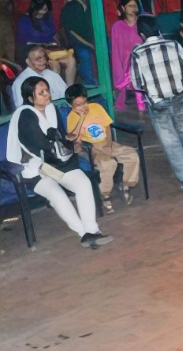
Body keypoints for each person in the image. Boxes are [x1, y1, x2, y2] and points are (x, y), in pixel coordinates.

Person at [4, 76, 113, 248]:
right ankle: (83, 233)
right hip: (36, 167)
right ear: (31, 97)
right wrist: (61, 142)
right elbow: (42, 144)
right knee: (57, 194)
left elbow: (64, 138)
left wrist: (77, 126)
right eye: (41, 92)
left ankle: (92, 231)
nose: (46, 95)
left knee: (83, 183)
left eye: (47, 90)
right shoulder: (25, 115)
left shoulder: (51, 109)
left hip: (57, 162)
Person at [130, 16, 183, 189]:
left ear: (141, 34)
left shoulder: (137, 53)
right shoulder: (173, 45)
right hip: (177, 96)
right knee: (182, 128)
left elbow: (137, 83)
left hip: (157, 102)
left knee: (170, 141)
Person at [64, 84, 139, 214]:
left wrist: (109, 144)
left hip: (106, 142)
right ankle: (105, 195)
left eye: (84, 102)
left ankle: (126, 185)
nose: (82, 107)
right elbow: (73, 137)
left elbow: (107, 127)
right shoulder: (72, 117)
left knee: (131, 154)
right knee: (108, 163)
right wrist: (81, 118)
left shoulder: (96, 108)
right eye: (78, 105)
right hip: (92, 147)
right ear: (71, 105)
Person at [16, 0, 77, 85]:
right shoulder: (24, 21)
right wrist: (40, 48)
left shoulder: (48, 18)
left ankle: (70, 89)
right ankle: (55, 92)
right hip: (36, 53)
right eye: (42, 8)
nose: (44, 11)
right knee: (55, 65)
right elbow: (23, 44)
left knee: (71, 60)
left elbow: (52, 35)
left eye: (46, 8)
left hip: (51, 50)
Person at [111, 0, 145, 112]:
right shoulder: (117, 26)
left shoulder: (143, 23)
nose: (133, 9)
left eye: (135, 5)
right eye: (130, 6)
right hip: (124, 63)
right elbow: (116, 51)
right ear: (123, 8)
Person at [60, 0, 97, 87]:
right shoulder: (69, 8)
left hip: (93, 40)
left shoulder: (92, 5)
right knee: (84, 54)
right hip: (78, 43)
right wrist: (89, 44)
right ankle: (90, 86)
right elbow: (71, 33)